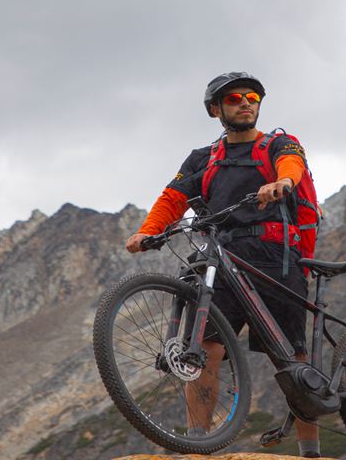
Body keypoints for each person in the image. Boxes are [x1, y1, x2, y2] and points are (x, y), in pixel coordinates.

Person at [125, 71, 321, 458]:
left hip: (275, 257)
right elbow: (173, 198)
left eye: (252, 97)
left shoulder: (278, 144)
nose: (245, 103)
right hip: (219, 258)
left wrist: (282, 182)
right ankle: (198, 444)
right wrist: (147, 231)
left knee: (292, 359)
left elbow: (291, 165)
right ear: (215, 110)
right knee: (204, 350)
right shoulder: (203, 159)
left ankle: (310, 451)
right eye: (234, 99)